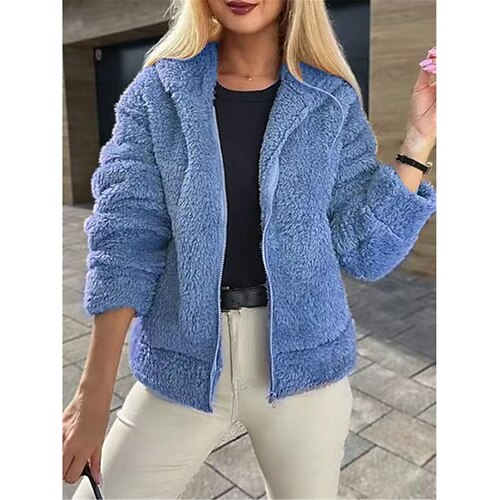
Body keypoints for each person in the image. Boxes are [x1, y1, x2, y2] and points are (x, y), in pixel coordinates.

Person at [63, 0, 437, 498]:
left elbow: (365, 251)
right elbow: (124, 242)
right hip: (183, 360)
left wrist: (419, 139)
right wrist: (93, 396)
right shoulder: (158, 94)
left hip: (305, 371)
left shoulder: (330, 101)